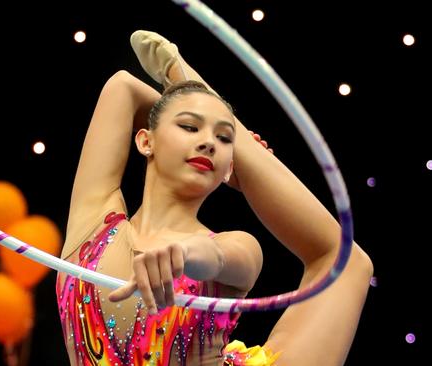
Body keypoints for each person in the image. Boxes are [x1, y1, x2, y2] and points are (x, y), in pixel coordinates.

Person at [56, 30, 373, 366]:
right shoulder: (93, 228)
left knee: (348, 263)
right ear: (145, 140)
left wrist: (186, 254)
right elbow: (122, 87)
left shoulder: (236, 246)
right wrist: (182, 98)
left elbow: (218, 257)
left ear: (227, 169)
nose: (208, 143)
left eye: (223, 139)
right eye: (190, 128)